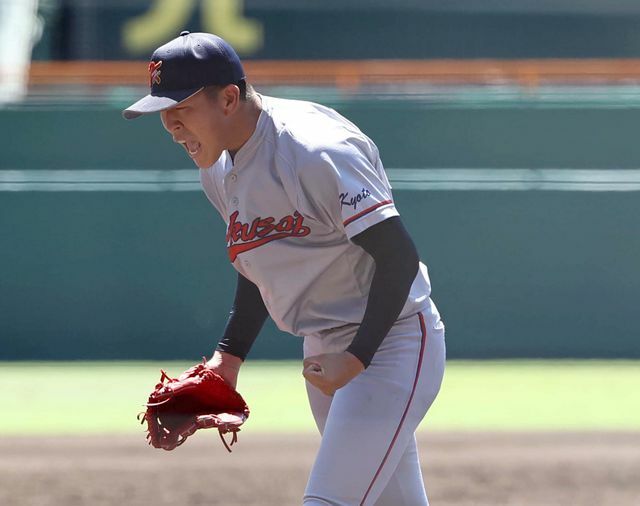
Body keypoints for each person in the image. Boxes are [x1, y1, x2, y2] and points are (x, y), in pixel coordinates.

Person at [123, 31, 446, 506]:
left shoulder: (315, 150)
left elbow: (396, 256)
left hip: (391, 341)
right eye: (163, 113)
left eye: (182, 109)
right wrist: (228, 358)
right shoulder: (215, 166)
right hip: (323, 348)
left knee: (328, 500)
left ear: (229, 98)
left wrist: (357, 357)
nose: (170, 125)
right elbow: (259, 258)